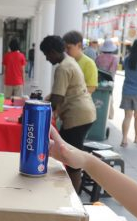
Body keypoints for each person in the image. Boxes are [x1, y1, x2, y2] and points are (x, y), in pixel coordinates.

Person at [39, 35, 97, 192]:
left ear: (52, 52)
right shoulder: (70, 61)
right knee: (68, 151)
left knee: (70, 156)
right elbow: (59, 92)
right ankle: (69, 189)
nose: (47, 59)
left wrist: (38, 111)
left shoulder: (63, 68)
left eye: (46, 55)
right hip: (85, 113)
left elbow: (57, 97)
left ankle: (73, 195)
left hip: (78, 116)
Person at [64, 29, 99, 93]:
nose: (66, 51)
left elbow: (91, 87)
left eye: (68, 48)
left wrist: (73, 93)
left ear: (79, 45)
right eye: (65, 48)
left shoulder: (89, 63)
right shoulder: (67, 62)